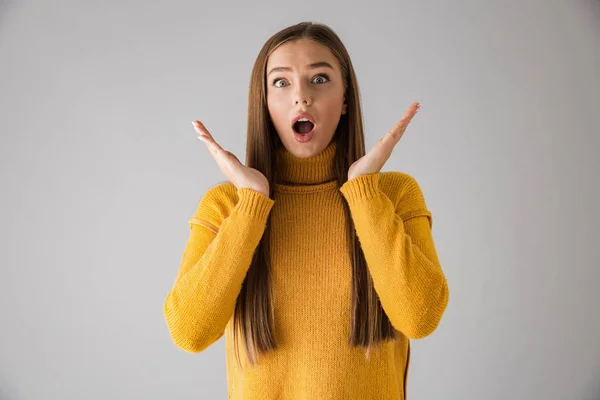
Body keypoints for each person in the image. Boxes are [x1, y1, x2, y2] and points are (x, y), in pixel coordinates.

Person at [163, 21, 449, 400]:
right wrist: (251, 203)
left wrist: (363, 192)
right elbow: (190, 332)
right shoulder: (227, 206)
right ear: (264, 102)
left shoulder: (393, 195)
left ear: (345, 98)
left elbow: (420, 317)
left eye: (319, 79)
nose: (301, 97)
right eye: (281, 82)